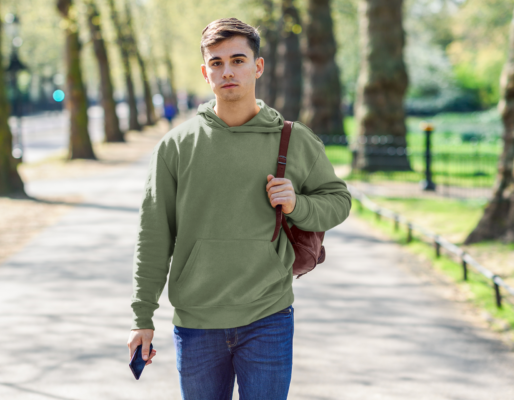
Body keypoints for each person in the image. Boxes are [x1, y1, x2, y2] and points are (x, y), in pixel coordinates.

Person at [127, 17, 352, 400]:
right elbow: (153, 235)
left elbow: (339, 202)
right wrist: (141, 317)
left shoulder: (294, 140)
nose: (227, 71)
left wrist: (297, 204)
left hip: (268, 316)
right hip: (197, 322)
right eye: (217, 63)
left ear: (258, 66)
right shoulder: (176, 146)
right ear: (205, 72)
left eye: (238, 60)